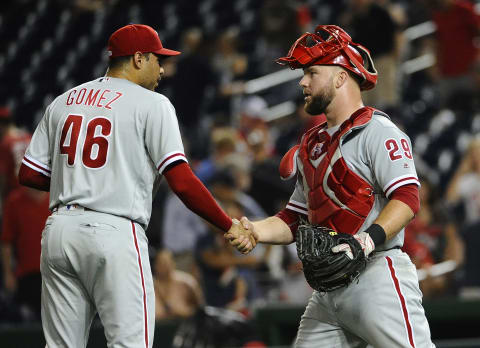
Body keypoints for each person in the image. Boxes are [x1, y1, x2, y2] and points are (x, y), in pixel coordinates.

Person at [17, 24, 252, 348]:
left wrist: (79, 180)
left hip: (60, 231)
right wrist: (227, 225)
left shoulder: (64, 100)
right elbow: (182, 182)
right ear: (139, 58)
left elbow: (28, 174)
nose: (162, 68)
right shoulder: (152, 104)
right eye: (158, 59)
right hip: (114, 230)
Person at [226, 24, 436, 347]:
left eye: (311, 72)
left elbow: (407, 199)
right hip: (327, 289)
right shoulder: (312, 142)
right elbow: (295, 218)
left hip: (376, 273)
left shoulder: (379, 131)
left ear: (340, 77)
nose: (302, 82)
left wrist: (366, 241)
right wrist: (255, 230)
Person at [153, 249, 203, 321]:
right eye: (161, 263)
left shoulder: (187, 282)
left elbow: (199, 307)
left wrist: (184, 312)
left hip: (185, 326)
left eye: (166, 263)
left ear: (173, 263)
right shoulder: (149, 286)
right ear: (155, 265)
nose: (164, 266)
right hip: (158, 327)